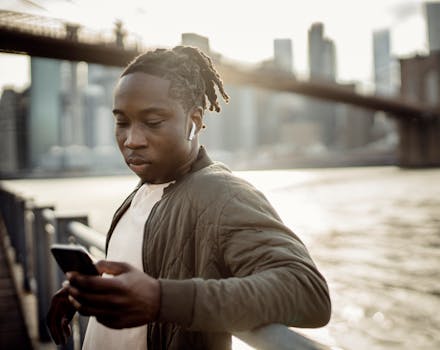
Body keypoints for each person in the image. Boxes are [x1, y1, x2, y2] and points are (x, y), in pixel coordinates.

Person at [47, 45, 331, 350]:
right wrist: (94, 292)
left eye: (153, 122)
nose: (132, 140)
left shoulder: (223, 193)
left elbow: (309, 291)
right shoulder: (140, 193)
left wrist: (160, 299)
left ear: (193, 122)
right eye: (122, 122)